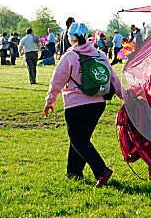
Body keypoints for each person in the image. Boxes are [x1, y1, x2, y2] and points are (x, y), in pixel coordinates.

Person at [43, 22, 123, 187]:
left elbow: (56, 81)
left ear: (69, 37)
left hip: (75, 105)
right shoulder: (100, 54)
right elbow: (113, 78)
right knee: (81, 138)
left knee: (78, 139)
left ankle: (101, 171)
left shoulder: (70, 56)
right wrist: (125, 97)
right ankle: (74, 173)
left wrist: (50, 101)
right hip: (98, 104)